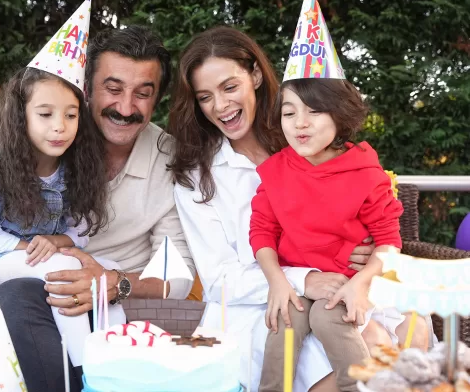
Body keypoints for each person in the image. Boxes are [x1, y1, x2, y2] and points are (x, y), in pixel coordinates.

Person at [0, 24, 194, 392]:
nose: (126, 107)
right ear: (87, 89)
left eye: (142, 94)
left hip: (96, 308)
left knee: (17, 297)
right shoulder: (52, 134)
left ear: (156, 99)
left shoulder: (168, 158)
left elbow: (178, 272)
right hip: (21, 277)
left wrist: (115, 284)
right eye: (113, 89)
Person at [166, 25, 430, 392]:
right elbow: (219, 279)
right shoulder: (198, 177)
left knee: (415, 331)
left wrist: (366, 251)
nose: (221, 106)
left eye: (229, 87)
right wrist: (303, 279)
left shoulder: (305, 136)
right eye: (205, 97)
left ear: (255, 76)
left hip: (344, 284)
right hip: (258, 308)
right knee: (368, 351)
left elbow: (368, 220)